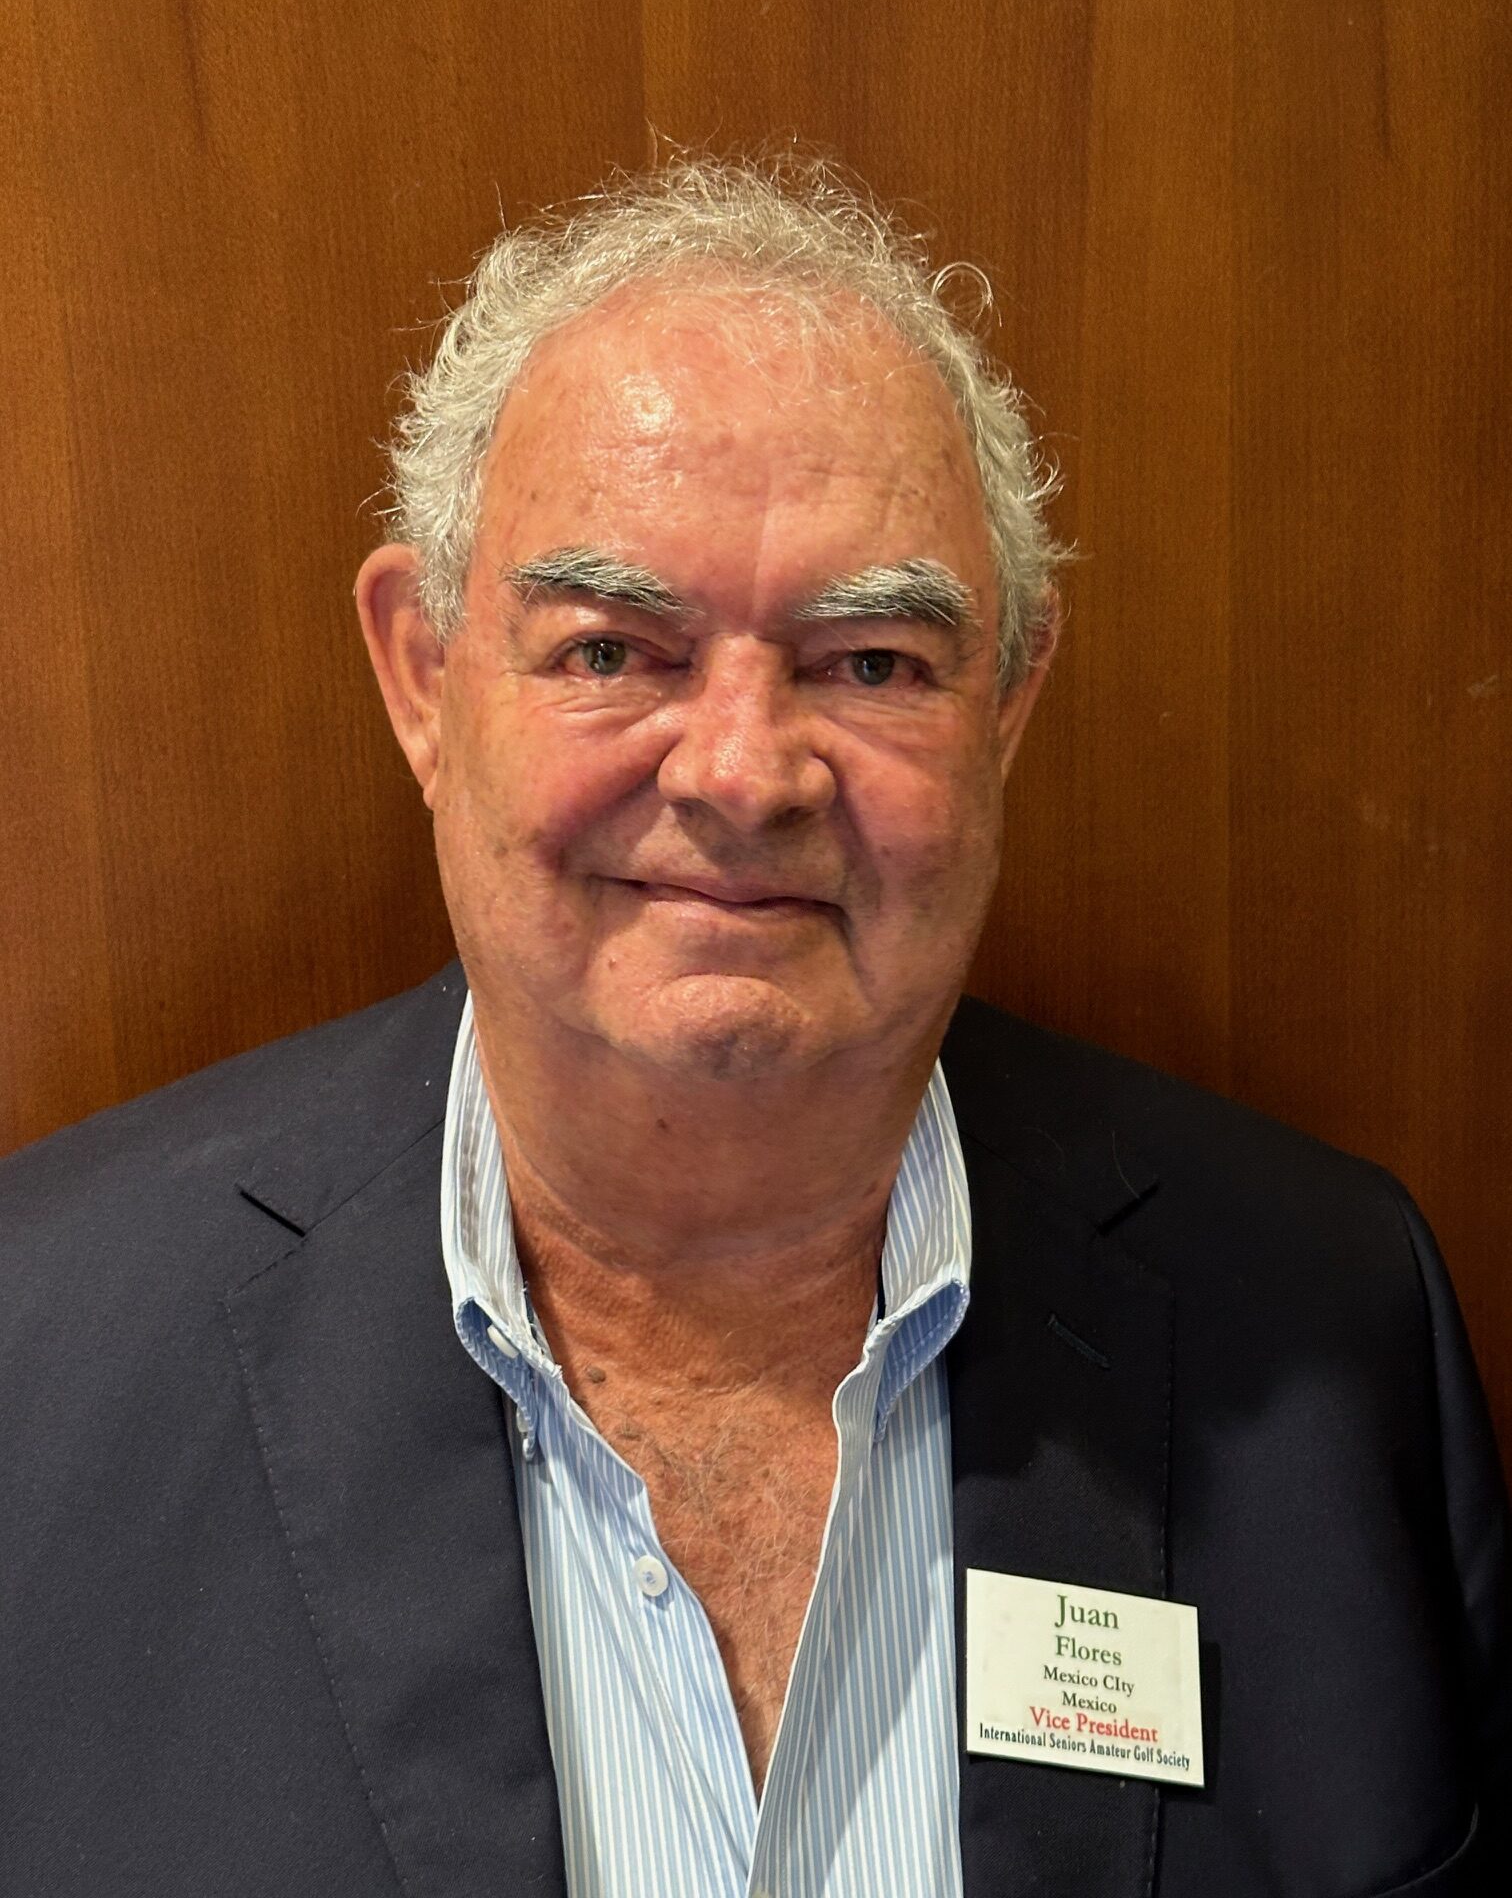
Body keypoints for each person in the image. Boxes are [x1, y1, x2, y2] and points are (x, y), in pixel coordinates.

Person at [1, 157, 1506, 1898]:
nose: (741, 773)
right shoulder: (41, 1365)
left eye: (872, 663)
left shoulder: (1327, 1325)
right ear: (422, 674)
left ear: (1008, 704)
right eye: (611, 650)